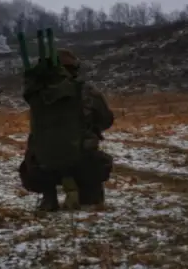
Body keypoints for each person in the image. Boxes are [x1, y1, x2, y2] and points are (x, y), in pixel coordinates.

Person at [18, 48, 115, 211]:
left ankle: (49, 196)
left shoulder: (36, 93)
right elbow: (106, 120)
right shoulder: (87, 92)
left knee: (41, 155)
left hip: (42, 166)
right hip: (82, 162)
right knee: (94, 160)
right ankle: (89, 198)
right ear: (74, 69)